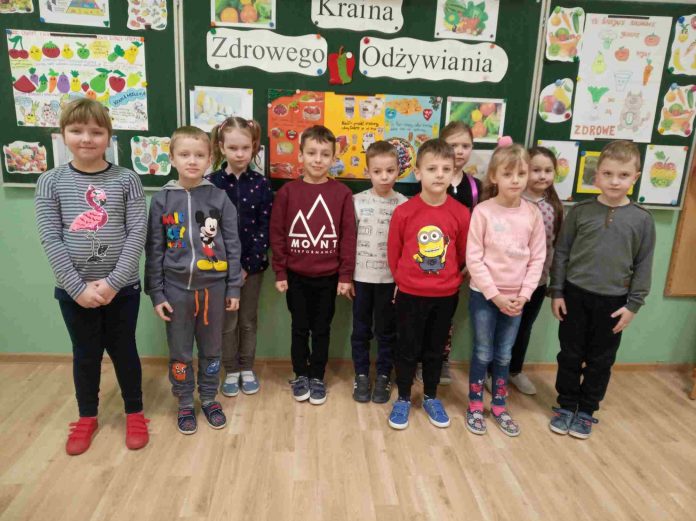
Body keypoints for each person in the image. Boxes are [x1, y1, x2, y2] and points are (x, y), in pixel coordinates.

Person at [35, 98, 149, 455]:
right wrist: (77, 288)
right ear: (62, 134)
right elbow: (51, 238)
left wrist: (114, 282)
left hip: (123, 289)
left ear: (109, 136)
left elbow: (136, 233)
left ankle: (135, 412)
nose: (86, 138)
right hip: (74, 292)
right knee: (85, 354)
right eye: (77, 130)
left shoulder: (127, 179)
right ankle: (87, 415)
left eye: (96, 131)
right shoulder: (50, 181)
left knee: (124, 351)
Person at [549, 140, 655, 439]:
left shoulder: (642, 219)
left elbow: (644, 264)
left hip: (614, 302)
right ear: (596, 176)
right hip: (575, 295)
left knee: (601, 360)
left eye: (623, 175)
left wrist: (634, 305)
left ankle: (586, 410)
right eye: (607, 174)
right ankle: (566, 405)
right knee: (570, 354)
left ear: (635, 177)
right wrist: (557, 291)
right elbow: (562, 252)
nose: (614, 181)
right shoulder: (580, 212)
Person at [145, 126, 242, 435]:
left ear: (210, 159)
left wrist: (234, 287)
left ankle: (209, 398)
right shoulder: (162, 200)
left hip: (213, 288)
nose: (192, 161)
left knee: (212, 349)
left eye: (199, 155)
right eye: (184, 154)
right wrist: (157, 293)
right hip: (175, 290)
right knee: (180, 351)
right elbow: (154, 249)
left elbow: (233, 244)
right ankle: (185, 401)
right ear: (172, 158)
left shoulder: (219, 197)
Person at [386, 138, 470, 430]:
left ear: (453, 172)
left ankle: (431, 396)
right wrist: (403, 281)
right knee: (407, 347)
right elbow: (394, 252)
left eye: (446, 168)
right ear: (418, 172)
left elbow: (462, 253)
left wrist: (451, 279)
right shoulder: (404, 212)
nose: (439, 174)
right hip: (410, 294)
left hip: (445, 296)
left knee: (436, 350)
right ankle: (403, 397)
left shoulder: (461, 213)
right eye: (432, 168)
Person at [270, 125, 356, 405]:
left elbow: (348, 237)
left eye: (325, 154)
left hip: (329, 277)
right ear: (300, 155)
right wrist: (280, 271)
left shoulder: (342, 193)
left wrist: (345, 275)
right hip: (295, 276)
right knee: (299, 327)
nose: (318, 159)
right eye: (312, 153)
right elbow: (277, 234)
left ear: (334, 158)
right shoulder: (287, 192)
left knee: (322, 329)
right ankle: (300, 374)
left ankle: (317, 375)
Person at [465, 143, 546, 437]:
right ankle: (475, 405)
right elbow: (473, 258)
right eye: (508, 174)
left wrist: (523, 296)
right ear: (494, 177)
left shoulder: (533, 214)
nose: (515, 180)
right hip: (485, 295)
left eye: (521, 173)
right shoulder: (483, 212)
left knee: (503, 355)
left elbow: (537, 258)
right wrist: (495, 296)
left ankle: (499, 405)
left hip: (516, 299)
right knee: (483, 351)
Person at [207, 117, 273, 397]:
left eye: (245, 148)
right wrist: (228, 267)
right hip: (219, 269)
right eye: (233, 148)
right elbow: (207, 230)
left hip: (252, 268)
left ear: (254, 147)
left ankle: (247, 367)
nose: (239, 154)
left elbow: (264, 228)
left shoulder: (261, 184)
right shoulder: (210, 184)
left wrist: (246, 266)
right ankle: (231, 369)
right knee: (227, 322)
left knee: (247, 320)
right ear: (221, 147)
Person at [351, 141, 407, 404]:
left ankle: (384, 374)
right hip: (361, 280)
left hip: (390, 282)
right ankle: (361, 375)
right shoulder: (356, 202)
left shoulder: (404, 204)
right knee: (361, 330)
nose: (384, 177)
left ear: (398, 171)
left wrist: (401, 281)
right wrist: (346, 277)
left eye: (390, 170)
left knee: (387, 331)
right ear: (368, 172)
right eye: (377, 171)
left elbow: (407, 247)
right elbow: (348, 242)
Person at [506, 146, 564, 395]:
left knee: (523, 328)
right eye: (535, 170)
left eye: (548, 171)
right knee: (503, 329)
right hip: (508, 281)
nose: (542, 176)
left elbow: (556, 247)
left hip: (537, 282)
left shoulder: (554, 207)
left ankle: (514, 370)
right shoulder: (512, 202)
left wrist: (554, 282)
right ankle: (493, 372)